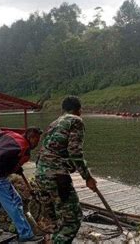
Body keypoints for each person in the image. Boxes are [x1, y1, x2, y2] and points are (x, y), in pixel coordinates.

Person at [35, 95, 97, 243]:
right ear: (79, 110)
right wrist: (87, 177)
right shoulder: (75, 121)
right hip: (56, 177)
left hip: (40, 175)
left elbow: (48, 150)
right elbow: (75, 152)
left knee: (56, 221)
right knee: (72, 221)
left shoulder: (54, 123)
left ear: (62, 109)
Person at [0, 122, 44, 243]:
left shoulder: (10, 135)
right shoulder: (24, 150)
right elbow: (13, 168)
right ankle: (25, 233)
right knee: (14, 201)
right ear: (30, 137)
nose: (37, 143)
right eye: (36, 140)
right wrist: (17, 167)